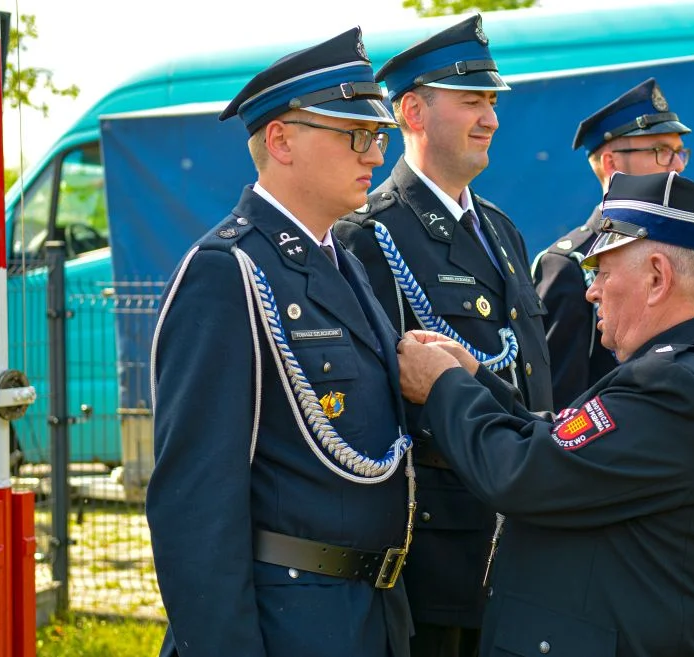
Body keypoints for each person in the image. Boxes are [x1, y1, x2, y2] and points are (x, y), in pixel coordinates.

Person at [396, 171, 694, 656]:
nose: (592, 291)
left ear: (658, 277)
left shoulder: (676, 386)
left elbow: (524, 473)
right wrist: (473, 376)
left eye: (604, 273)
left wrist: (441, 387)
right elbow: (563, 444)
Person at [147, 28, 415, 657]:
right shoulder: (228, 270)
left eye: (377, 137)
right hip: (287, 621)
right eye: (354, 136)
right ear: (280, 139)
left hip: (367, 615)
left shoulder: (340, 260)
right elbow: (195, 504)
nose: (374, 156)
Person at [334, 14, 552, 657]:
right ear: (413, 112)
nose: (491, 119)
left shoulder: (502, 231)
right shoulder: (371, 236)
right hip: (442, 544)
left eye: (491, 102)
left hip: (521, 528)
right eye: (471, 101)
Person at [532, 78, 691, 408]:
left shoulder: (677, 248)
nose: (676, 165)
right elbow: (560, 406)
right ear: (611, 163)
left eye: (679, 153)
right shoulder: (569, 266)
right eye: (661, 151)